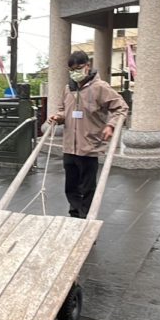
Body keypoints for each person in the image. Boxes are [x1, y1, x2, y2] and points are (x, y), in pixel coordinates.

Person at [48, 51, 128, 219]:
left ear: (87, 66)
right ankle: (75, 215)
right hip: (69, 146)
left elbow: (121, 107)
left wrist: (110, 125)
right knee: (71, 186)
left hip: (89, 145)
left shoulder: (100, 87)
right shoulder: (68, 88)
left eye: (78, 68)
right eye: (71, 69)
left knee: (87, 187)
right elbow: (63, 110)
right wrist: (58, 117)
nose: (75, 72)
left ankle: (86, 218)